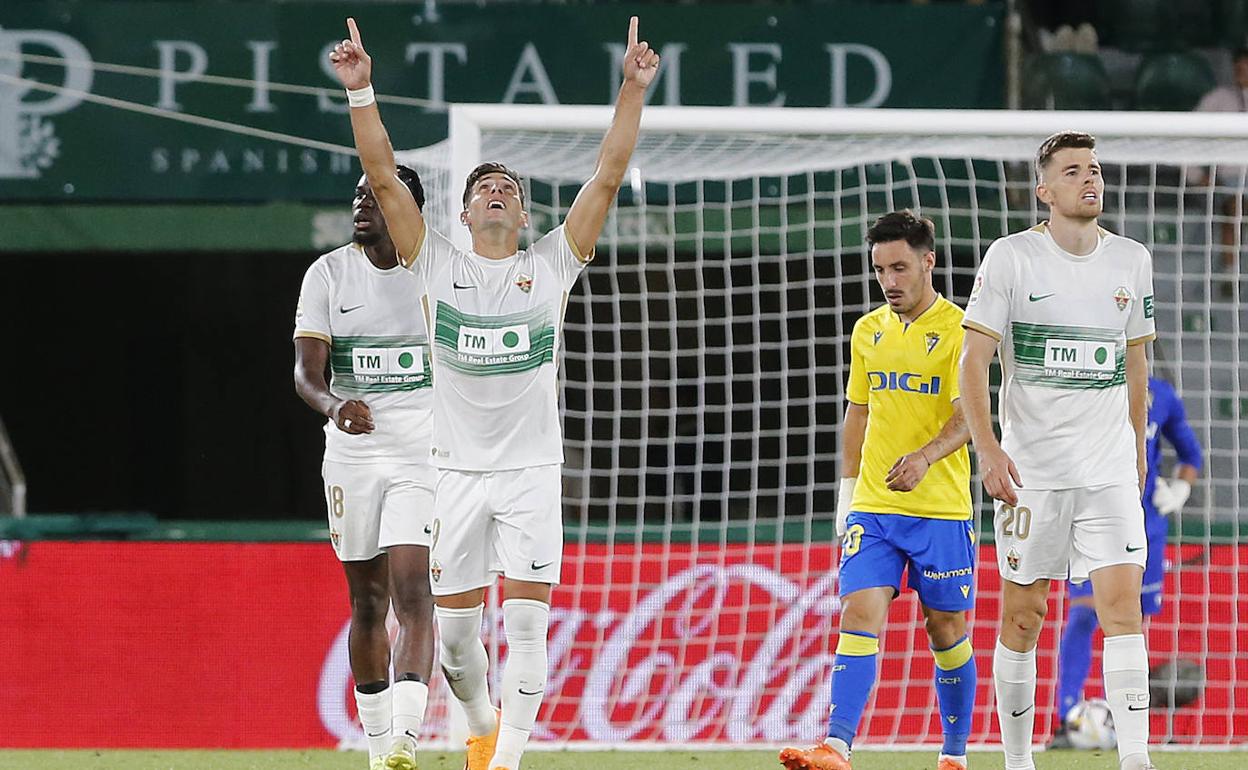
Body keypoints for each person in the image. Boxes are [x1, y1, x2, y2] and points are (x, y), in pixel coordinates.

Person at [328, 15, 659, 770]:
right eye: (486, 187)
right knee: (450, 638)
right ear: (465, 212)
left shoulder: (551, 265)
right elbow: (383, 176)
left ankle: (504, 762)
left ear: (525, 214)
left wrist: (631, 91)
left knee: (528, 627)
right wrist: (362, 91)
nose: (498, 192)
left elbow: (607, 174)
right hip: (454, 474)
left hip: (531, 473)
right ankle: (479, 720)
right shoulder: (433, 264)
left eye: (509, 188)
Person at [960, 131, 1158, 770]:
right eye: (1073, 171)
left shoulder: (1132, 259)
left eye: (1095, 169)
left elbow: (1136, 363)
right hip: (1032, 473)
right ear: (1044, 190)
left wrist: (1137, 451)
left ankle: (1136, 760)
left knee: (1122, 608)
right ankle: (1018, 761)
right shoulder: (1012, 258)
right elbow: (973, 363)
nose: (1090, 179)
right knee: (1023, 616)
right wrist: (989, 451)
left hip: (1107, 471)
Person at [779, 211, 975, 770]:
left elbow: (970, 419)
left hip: (939, 506)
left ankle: (954, 754)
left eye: (899, 267)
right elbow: (857, 414)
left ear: (928, 261)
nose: (889, 281)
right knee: (859, 612)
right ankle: (837, 746)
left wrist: (924, 457)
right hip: (876, 507)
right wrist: (847, 495)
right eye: (880, 270)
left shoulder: (962, 330)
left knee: (946, 630)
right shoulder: (868, 331)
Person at [293, 166, 437, 770]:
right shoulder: (328, 274)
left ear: (406, 208)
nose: (361, 205)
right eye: (357, 195)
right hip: (352, 452)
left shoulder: (437, 270)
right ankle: (379, 751)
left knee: (413, 589)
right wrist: (334, 406)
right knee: (368, 600)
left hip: (421, 450)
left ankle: (405, 738)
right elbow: (305, 374)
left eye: (375, 196)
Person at [1050, 374, 1202, 746]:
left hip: (1144, 527)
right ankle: (1067, 720)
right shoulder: (1086, 384)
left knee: (1128, 626)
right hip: (1093, 519)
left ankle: (1125, 724)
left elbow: (1190, 454)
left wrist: (1181, 487)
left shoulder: (1160, 395)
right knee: (1085, 612)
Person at [1195, 47, 1248, 294]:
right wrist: (1197, 176)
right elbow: (1185, 138)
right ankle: (1230, 275)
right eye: (1239, 66)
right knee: (1235, 205)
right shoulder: (1217, 99)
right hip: (1225, 179)